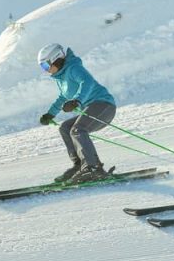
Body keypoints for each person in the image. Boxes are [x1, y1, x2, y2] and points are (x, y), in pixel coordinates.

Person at [37, 42, 117, 184]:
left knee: (78, 129)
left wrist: (77, 101)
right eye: (42, 67)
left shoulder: (73, 68)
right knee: (65, 128)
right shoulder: (61, 78)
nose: (46, 70)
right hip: (92, 107)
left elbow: (87, 82)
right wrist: (50, 114)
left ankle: (92, 168)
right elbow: (62, 97)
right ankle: (80, 165)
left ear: (55, 59)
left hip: (103, 106)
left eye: (45, 65)